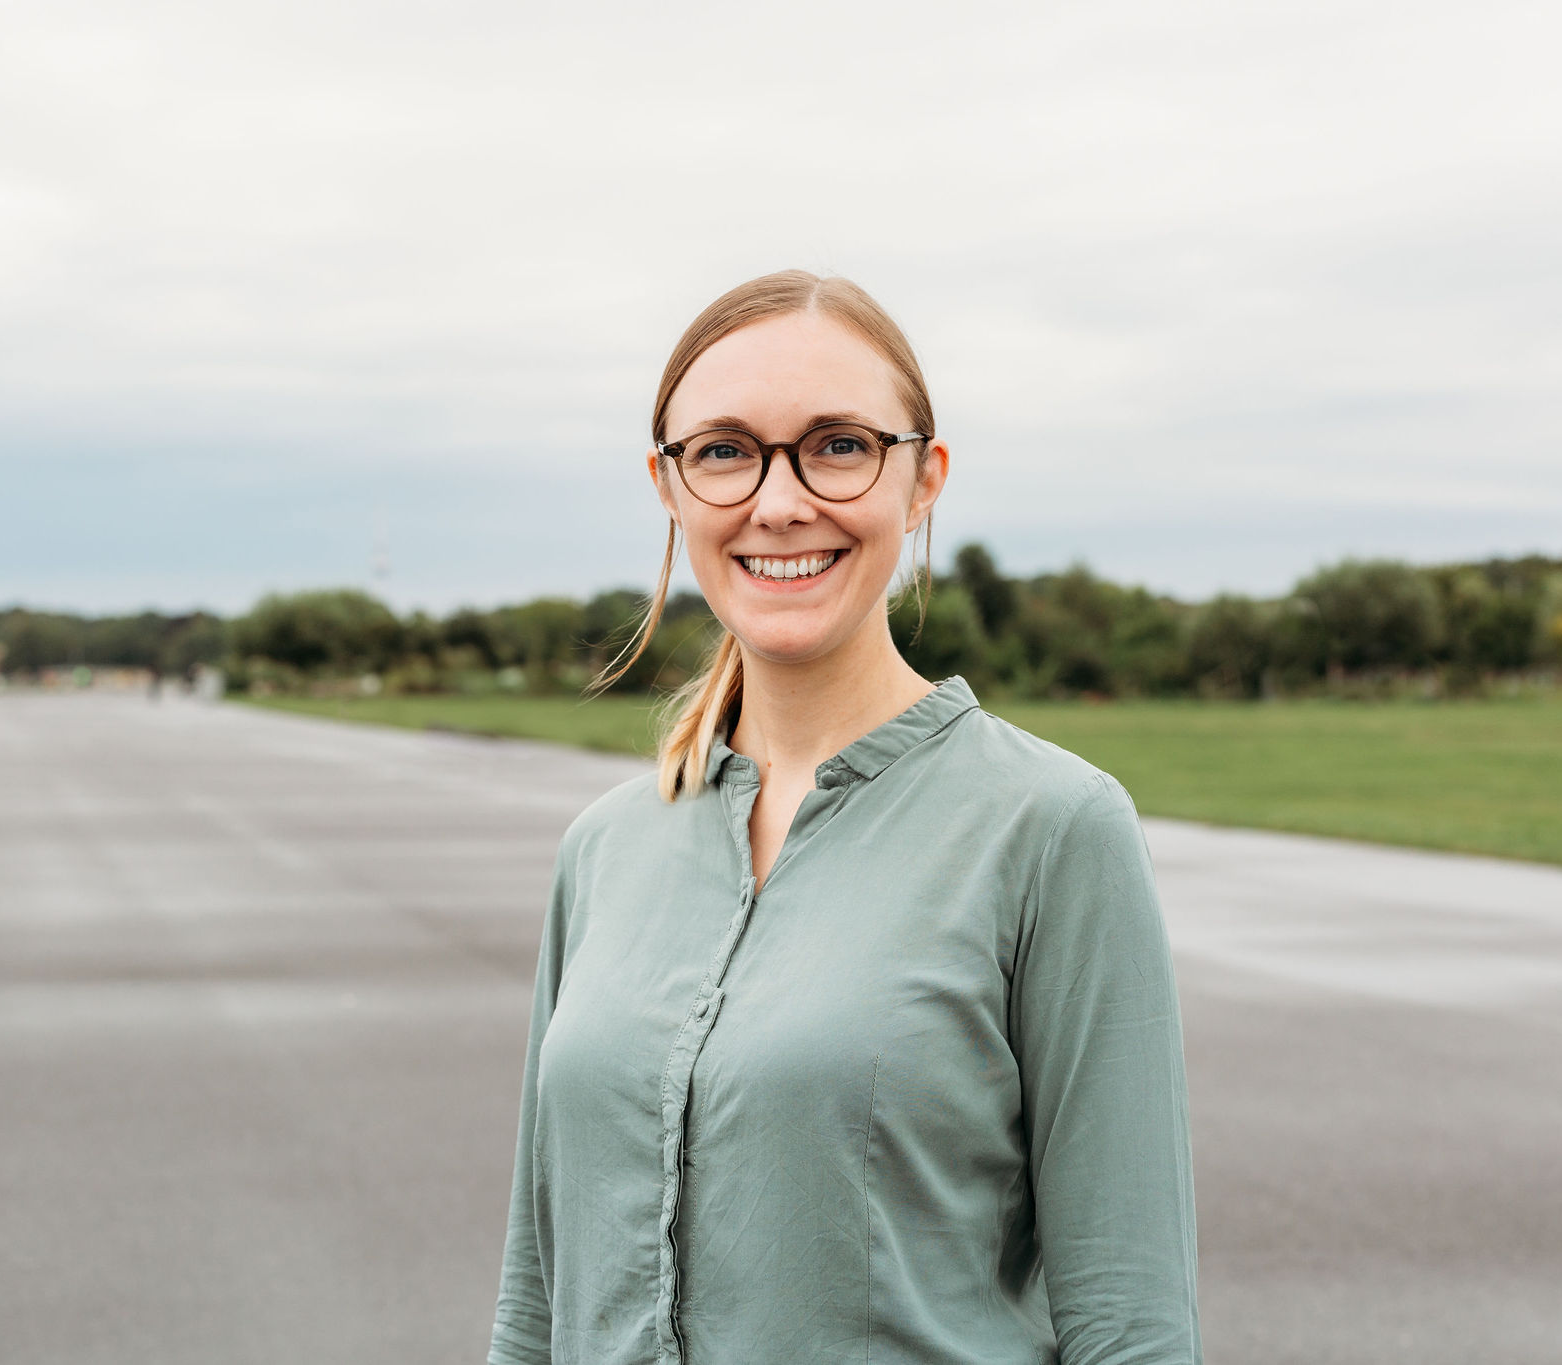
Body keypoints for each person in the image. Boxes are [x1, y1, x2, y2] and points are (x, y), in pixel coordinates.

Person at [489, 271, 1201, 1364]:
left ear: (922, 481)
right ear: (667, 486)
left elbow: (1130, 1324)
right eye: (724, 450)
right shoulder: (604, 850)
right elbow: (535, 1302)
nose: (778, 502)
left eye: (835, 445)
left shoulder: (1051, 830)